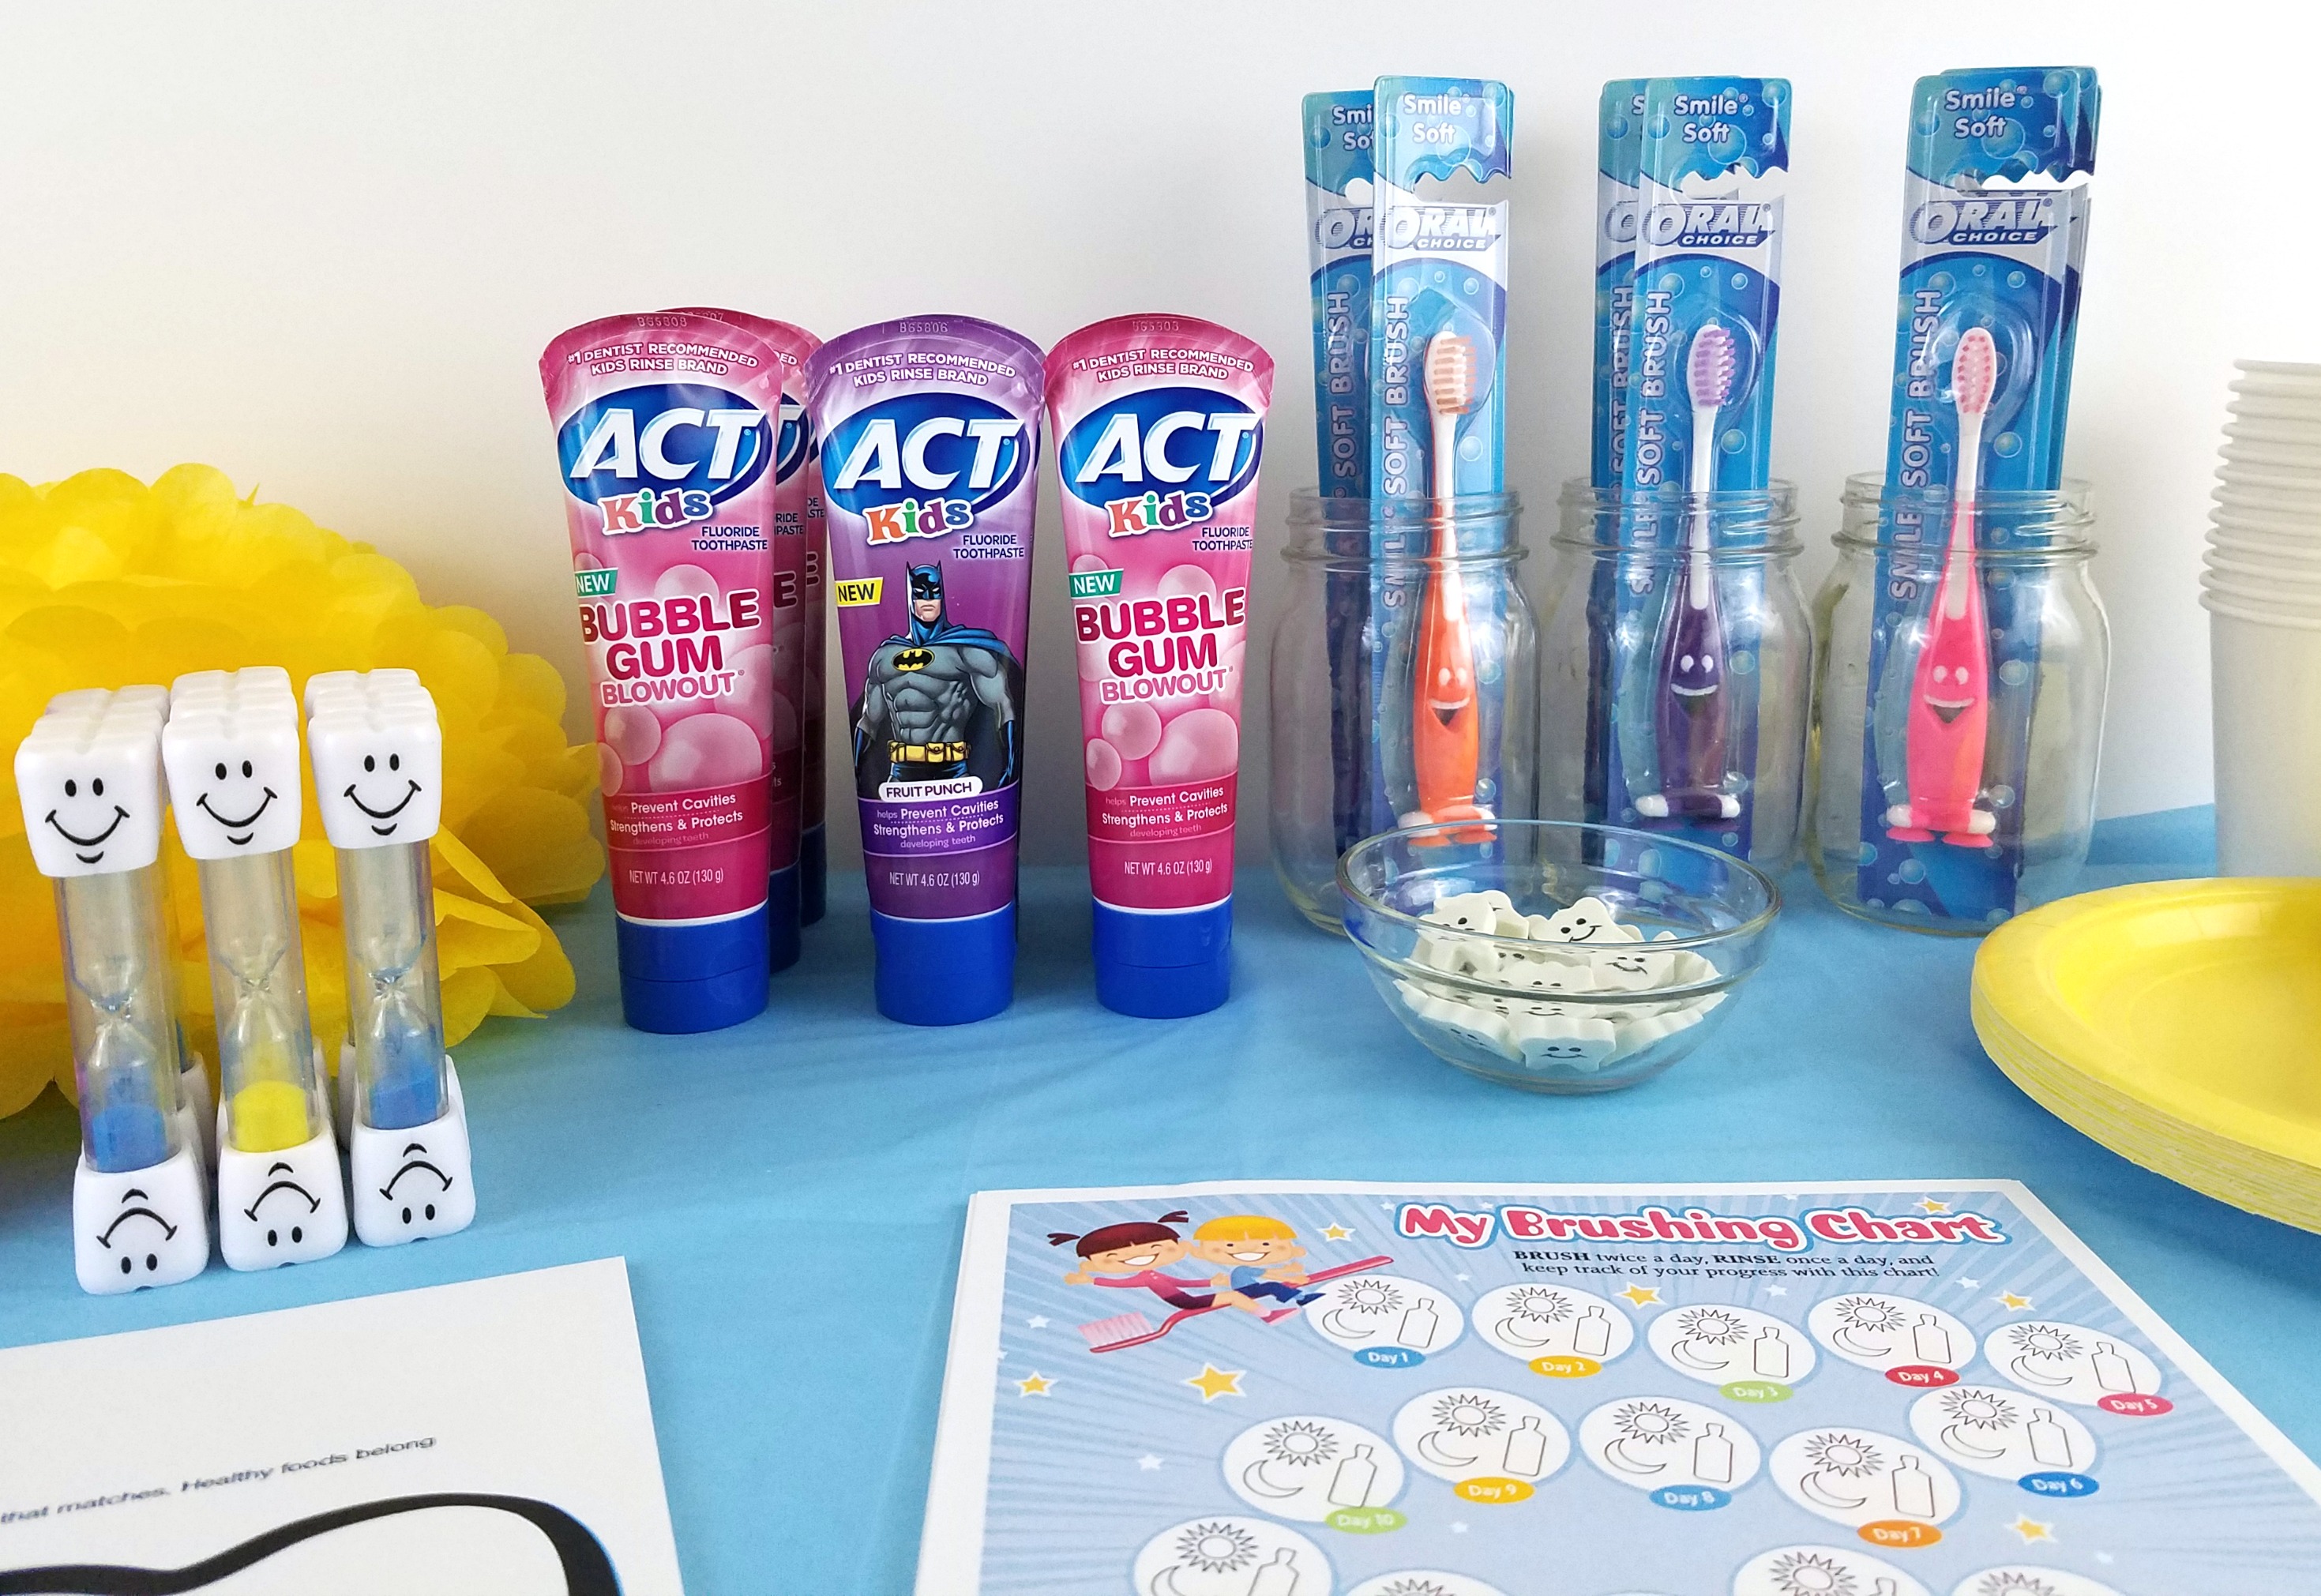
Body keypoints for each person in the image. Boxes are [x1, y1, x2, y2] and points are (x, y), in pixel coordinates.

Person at [1189, 1214, 1324, 1311]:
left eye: (1265, 1244)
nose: (1249, 1248)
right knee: (1272, 1285)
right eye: (1230, 1245)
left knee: (1271, 1286)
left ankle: (1300, 1298)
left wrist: (1288, 1271)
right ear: (1199, 1252)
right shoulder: (1241, 1269)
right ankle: (1301, 1298)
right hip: (1247, 1290)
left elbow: (1266, 1272)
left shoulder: (1242, 1270)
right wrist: (1291, 1278)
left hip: (1247, 1289)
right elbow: (1266, 1274)